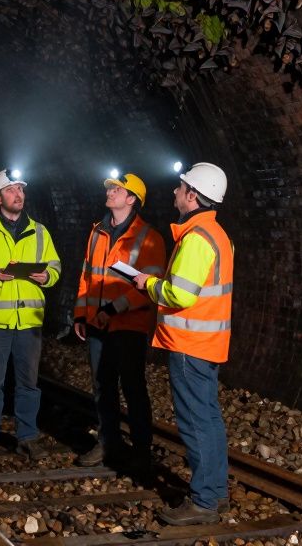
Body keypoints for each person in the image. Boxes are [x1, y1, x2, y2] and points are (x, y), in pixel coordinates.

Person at [133, 162, 233, 526]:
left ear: (193, 196)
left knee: (194, 421)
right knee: (209, 418)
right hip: (207, 343)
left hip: (190, 344)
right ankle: (216, 494)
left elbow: (180, 294)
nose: (175, 192)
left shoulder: (195, 239)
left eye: (180, 188)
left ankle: (204, 501)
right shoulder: (217, 234)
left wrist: (148, 284)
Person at [0, 170, 61, 461]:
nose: (19, 194)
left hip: (28, 321)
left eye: (21, 189)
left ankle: (27, 437)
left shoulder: (40, 231)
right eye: (11, 190)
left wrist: (47, 277)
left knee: (29, 383)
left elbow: (55, 267)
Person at [72, 173, 166, 471]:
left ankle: (141, 450)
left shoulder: (149, 238)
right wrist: (80, 313)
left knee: (133, 387)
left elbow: (148, 288)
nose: (110, 192)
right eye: (111, 189)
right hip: (98, 324)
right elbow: (87, 277)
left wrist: (112, 310)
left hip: (129, 325)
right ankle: (108, 443)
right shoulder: (97, 232)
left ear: (131, 199)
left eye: (117, 189)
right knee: (103, 386)